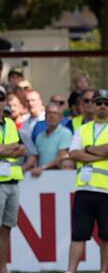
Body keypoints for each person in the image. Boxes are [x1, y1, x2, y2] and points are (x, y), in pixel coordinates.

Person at [67, 89, 108, 273]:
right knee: (78, 234)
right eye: (98, 102)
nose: (102, 106)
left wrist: (87, 149)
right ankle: (71, 270)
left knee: (106, 234)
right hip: (85, 188)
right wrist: (97, 153)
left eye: (107, 103)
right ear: (92, 105)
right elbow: (73, 153)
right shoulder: (82, 128)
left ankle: (104, 271)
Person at [0, 103, 26, 273]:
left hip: (13, 181)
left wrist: (4, 150)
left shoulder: (9, 124)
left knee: (6, 228)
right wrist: (11, 148)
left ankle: (3, 267)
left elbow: (22, 148)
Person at [30, 103, 73, 176]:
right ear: (45, 116)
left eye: (55, 113)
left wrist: (42, 168)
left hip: (56, 176)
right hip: (40, 176)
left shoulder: (65, 133)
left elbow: (62, 157)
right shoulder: (40, 136)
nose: (52, 116)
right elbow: (36, 157)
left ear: (60, 117)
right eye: (49, 113)